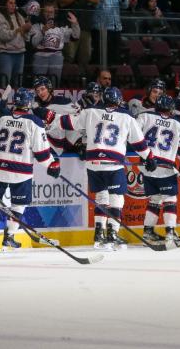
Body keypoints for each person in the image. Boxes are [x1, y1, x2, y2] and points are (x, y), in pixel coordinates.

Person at [57, 87, 156, 249]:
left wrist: (48, 117)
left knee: (102, 197)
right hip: (113, 163)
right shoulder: (126, 116)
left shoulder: (90, 112)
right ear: (118, 101)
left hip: (93, 163)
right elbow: (139, 143)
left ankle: (98, 234)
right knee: (117, 198)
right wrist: (149, 157)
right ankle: (112, 234)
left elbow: (67, 122)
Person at [0, 88, 61, 250]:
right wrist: (52, 165)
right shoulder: (35, 122)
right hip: (21, 172)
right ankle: (9, 237)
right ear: (28, 103)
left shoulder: (3, 118)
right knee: (18, 205)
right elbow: (41, 153)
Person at [137, 95, 180, 245]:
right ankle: (170, 233)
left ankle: (148, 232)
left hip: (147, 166)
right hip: (165, 168)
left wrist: (144, 157)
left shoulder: (144, 116)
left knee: (154, 199)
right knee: (169, 199)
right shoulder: (179, 123)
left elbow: (133, 137)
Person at [55, 0, 99, 69]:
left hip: (84, 26)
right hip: (68, 27)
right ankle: (66, 82)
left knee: (85, 56)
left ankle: (82, 82)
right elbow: (62, 3)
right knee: (69, 55)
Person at [30, 1, 80, 84]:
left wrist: (75, 23)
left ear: (54, 13)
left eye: (51, 12)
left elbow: (75, 37)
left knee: (54, 83)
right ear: (42, 13)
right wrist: (43, 31)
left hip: (56, 57)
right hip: (40, 57)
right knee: (38, 83)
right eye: (46, 12)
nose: (49, 14)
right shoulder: (36, 26)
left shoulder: (60, 27)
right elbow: (33, 43)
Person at [32, 76, 80, 155]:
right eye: (37, 91)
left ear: (49, 88)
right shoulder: (35, 106)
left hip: (63, 144)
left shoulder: (63, 102)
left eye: (42, 89)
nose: (40, 93)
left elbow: (78, 117)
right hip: (46, 146)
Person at [0, 0, 31, 87]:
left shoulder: (19, 16)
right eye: (10, 3)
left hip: (20, 53)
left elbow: (26, 37)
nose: (13, 5)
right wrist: (19, 29)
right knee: (5, 82)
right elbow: (3, 36)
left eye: (14, 3)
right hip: (6, 53)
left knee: (18, 82)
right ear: (4, 4)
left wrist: (27, 30)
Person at [90, 0, 128, 65]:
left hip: (116, 29)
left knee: (114, 60)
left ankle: (111, 79)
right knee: (100, 59)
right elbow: (95, 4)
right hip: (101, 30)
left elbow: (125, 5)